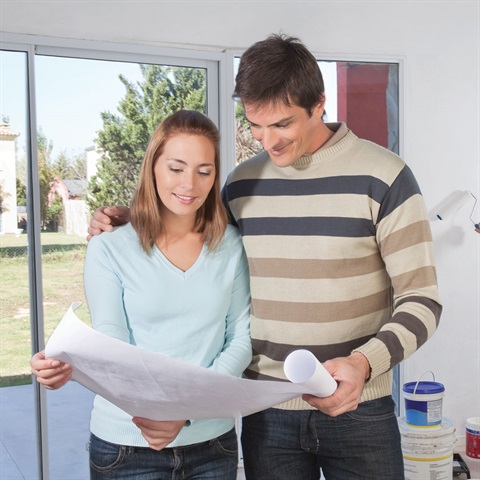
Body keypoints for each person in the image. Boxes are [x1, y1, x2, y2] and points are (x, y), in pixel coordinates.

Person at [87, 34, 443, 480]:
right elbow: (188, 219)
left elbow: (422, 300)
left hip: (359, 408)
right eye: (255, 124)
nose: (266, 140)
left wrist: (364, 363)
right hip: (267, 413)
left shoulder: (386, 177)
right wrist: (123, 220)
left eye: (281, 124)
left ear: (319, 104)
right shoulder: (240, 184)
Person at [31, 110, 252, 480]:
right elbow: (112, 342)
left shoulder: (230, 244)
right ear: (153, 168)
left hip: (213, 444)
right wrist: (67, 367)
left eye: (204, 170)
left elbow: (241, 339)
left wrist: (186, 412)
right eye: (176, 168)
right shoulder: (109, 248)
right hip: (127, 447)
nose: (190, 184)